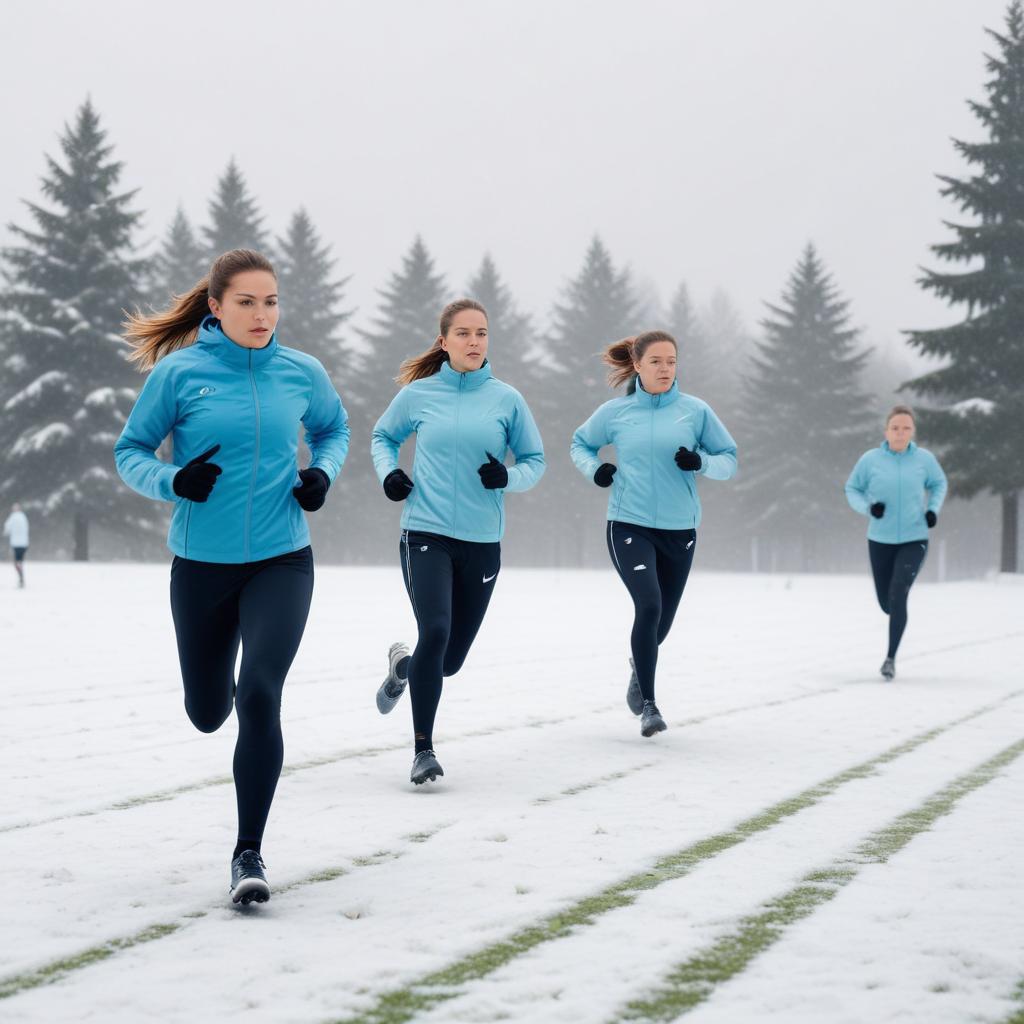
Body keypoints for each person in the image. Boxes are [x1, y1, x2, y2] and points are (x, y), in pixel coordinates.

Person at [114, 249, 349, 905]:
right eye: (246, 301)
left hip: (282, 559)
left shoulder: (302, 371)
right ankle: (209, 704)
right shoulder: (180, 373)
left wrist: (320, 474)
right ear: (215, 306)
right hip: (201, 569)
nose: (261, 314)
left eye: (270, 301)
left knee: (260, 693)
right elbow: (129, 451)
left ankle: (249, 852)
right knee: (208, 711)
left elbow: (333, 429)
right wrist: (173, 481)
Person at [371, 299, 545, 785]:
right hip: (424, 533)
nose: (474, 342)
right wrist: (390, 475)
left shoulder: (507, 399)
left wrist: (506, 477)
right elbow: (383, 437)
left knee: (447, 660)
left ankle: (404, 666)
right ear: (443, 341)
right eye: (464, 334)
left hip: (482, 541)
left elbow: (535, 461)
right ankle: (423, 750)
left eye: (482, 333)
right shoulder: (419, 394)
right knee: (438, 629)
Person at [571, 331, 737, 736]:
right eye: (657, 361)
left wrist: (701, 462)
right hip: (629, 523)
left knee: (661, 620)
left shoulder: (695, 412)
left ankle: (637, 664)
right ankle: (650, 704)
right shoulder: (616, 413)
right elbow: (580, 444)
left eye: (672, 361)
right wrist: (597, 469)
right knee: (648, 604)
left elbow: (729, 459)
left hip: (680, 530)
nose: (666, 368)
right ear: (639, 366)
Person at [845, 405, 947, 680]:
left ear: (913, 432)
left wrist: (932, 510)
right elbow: (852, 488)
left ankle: (890, 659)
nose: (900, 433)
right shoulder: (870, 460)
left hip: (915, 538)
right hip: (880, 538)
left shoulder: (924, 460)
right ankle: (892, 610)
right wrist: (869, 507)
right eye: (895, 428)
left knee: (899, 589)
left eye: (906, 428)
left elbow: (939, 483)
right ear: (886, 431)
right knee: (887, 603)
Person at [3, 503, 29, 588]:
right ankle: (21, 577)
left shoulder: (13, 517)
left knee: (17, 562)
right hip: (24, 543)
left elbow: (7, 529)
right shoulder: (23, 517)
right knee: (20, 561)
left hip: (16, 543)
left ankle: (21, 577)